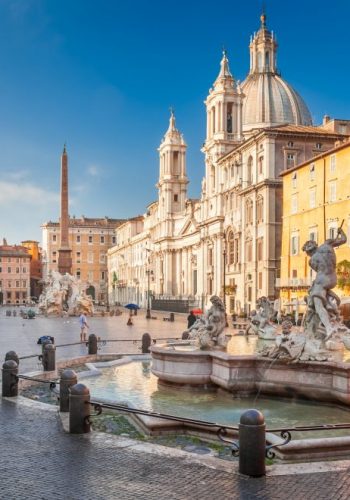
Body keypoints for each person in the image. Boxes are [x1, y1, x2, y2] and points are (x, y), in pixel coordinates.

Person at [302, 226, 347, 339]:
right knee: (320, 295)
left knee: (317, 305)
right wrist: (341, 232)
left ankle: (328, 327)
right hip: (333, 279)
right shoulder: (327, 244)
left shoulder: (312, 260)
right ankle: (332, 304)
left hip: (321, 280)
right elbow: (343, 239)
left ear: (308, 252)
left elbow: (319, 271)